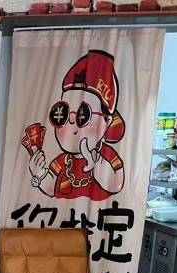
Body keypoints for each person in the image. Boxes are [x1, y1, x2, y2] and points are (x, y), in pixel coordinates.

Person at [28, 50, 125, 201]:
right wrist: (39, 175)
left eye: (83, 115)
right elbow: (51, 188)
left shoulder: (107, 155)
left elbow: (116, 185)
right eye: (62, 114)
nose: (71, 122)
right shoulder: (64, 161)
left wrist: (97, 164)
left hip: (100, 214)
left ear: (107, 121)